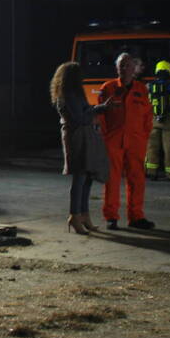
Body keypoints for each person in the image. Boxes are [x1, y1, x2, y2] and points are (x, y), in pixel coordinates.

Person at [51, 62, 112, 234]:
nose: (83, 77)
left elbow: (85, 113)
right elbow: (80, 117)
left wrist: (99, 109)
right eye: (80, 74)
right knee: (80, 176)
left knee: (87, 175)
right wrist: (97, 111)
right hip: (76, 135)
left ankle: (83, 215)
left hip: (82, 133)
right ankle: (75, 215)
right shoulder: (68, 94)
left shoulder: (74, 93)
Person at [98, 53, 155, 230]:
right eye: (121, 65)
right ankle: (111, 217)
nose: (125, 68)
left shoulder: (141, 89)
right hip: (114, 141)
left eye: (128, 65)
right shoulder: (108, 88)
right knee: (112, 179)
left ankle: (136, 217)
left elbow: (147, 115)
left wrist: (143, 136)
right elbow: (101, 116)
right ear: (117, 68)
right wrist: (106, 136)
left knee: (137, 179)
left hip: (136, 141)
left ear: (134, 68)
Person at [145, 60, 170, 180]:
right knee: (169, 147)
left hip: (153, 120)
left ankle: (151, 172)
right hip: (169, 120)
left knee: (152, 147)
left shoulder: (149, 86)